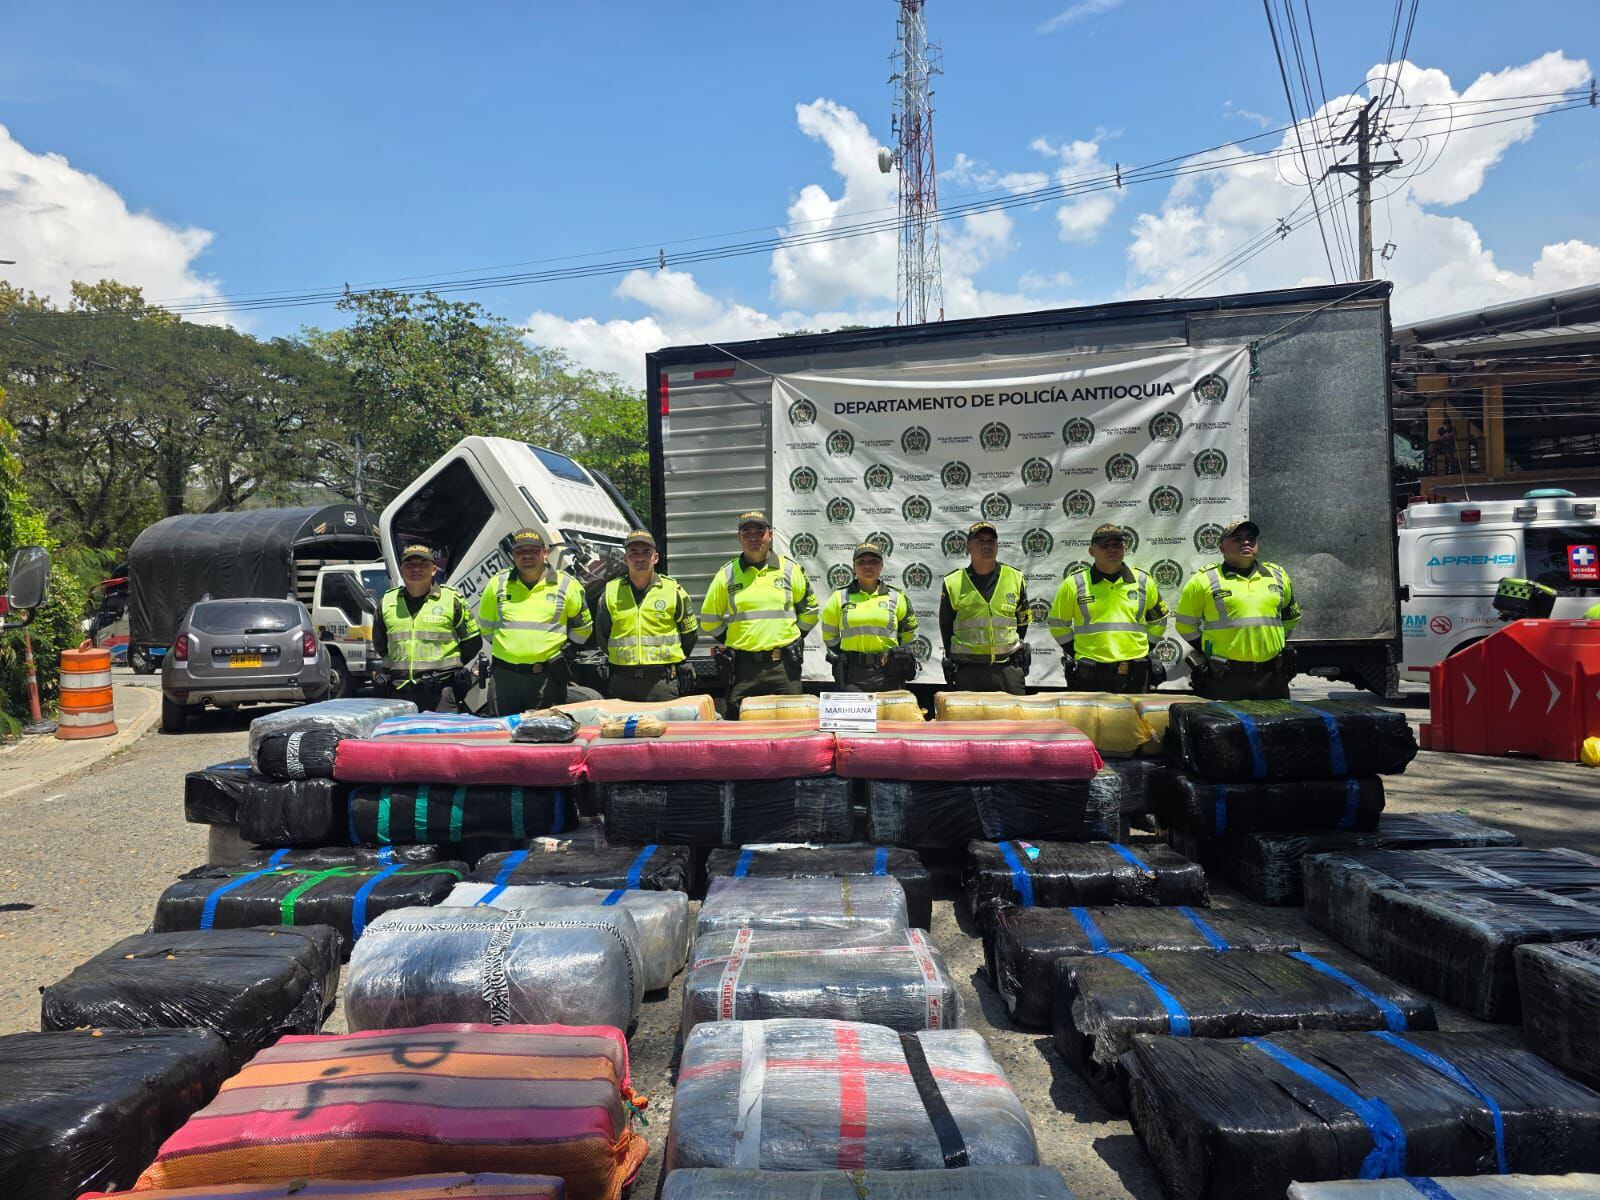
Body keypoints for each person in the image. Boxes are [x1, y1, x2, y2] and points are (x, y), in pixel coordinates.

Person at [699, 510, 819, 715]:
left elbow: (810, 611)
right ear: (739, 538)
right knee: (741, 729)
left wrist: (793, 637)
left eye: (759, 532)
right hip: (743, 669)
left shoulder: (790, 570)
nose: (754, 538)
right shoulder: (726, 575)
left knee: (792, 726)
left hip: (783, 667)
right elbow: (709, 620)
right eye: (747, 533)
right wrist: (733, 638)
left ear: (770, 535)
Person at [1175, 517, 1301, 700]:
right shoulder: (1203, 581)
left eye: (1251, 538)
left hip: (1272, 677)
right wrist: (1207, 650)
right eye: (1237, 539)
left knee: (1278, 726)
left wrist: (1275, 642)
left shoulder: (1278, 576)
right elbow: (1185, 625)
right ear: (1222, 548)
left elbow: (1291, 617)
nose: (1246, 542)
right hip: (1226, 677)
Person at [477, 528, 593, 715]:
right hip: (505, 679)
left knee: (547, 737)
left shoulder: (567, 584)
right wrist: (513, 650)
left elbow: (584, 628)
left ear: (545, 553)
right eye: (521, 551)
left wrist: (564, 652)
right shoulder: (497, 584)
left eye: (533, 550)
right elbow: (487, 628)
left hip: (548, 678)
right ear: (513, 555)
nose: (527, 556)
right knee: (503, 737)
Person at [1049, 523, 1169, 693]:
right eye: (1104, 545)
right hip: (1091, 673)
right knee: (1090, 721)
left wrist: (1145, 648)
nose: (1112, 550)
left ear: (1124, 548)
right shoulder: (1074, 584)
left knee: (1134, 720)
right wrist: (1077, 653)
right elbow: (1057, 625)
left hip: (1135, 672)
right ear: (1092, 551)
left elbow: (1159, 620)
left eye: (1117, 544)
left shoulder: (1143, 581)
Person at [371, 542, 482, 712]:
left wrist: (451, 669)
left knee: (441, 738)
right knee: (401, 738)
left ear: (433, 570)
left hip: (441, 693)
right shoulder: (387, 602)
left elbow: (473, 642)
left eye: (423, 564)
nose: (416, 569)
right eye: (410, 565)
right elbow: (381, 645)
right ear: (402, 569)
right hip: (399, 693)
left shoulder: (452, 600)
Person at [594, 529, 698, 702]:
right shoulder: (610, 592)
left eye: (646, 552)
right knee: (621, 728)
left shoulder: (673, 591)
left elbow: (690, 635)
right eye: (634, 553)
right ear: (625, 559)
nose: (640, 558)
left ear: (655, 558)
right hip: (622, 681)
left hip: (661, 681)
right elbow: (603, 636)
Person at [939, 520, 1031, 694]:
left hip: (1007, 669)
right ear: (968, 547)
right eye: (980, 541)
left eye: (991, 541)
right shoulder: (953, 582)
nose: (986, 545)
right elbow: (946, 625)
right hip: (968, 671)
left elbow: (1023, 621)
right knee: (969, 720)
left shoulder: (1016, 577)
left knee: (1012, 720)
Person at [820, 541, 920, 692]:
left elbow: (907, 634)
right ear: (854, 566)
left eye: (874, 561)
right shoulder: (839, 597)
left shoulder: (897, 597)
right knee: (854, 715)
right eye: (861, 562)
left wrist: (891, 653)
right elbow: (829, 636)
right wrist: (849, 655)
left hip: (889, 673)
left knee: (888, 716)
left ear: (881, 566)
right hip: (852, 675)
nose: (868, 566)